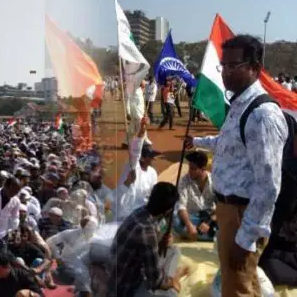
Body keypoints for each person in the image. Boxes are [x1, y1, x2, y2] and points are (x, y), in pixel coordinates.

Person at [184, 35, 287, 296]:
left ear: (254, 67)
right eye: (223, 65)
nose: (226, 73)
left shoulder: (262, 115)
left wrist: (245, 239)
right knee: (243, 281)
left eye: (234, 66)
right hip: (229, 210)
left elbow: (268, 187)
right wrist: (196, 141)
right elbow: (228, 141)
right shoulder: (239, 104)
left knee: (235, 286)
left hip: (243, 215)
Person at [107, 182, 189, 297]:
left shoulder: (140, 211)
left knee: (174, 250)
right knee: (171, 294)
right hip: (126, 289)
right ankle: (173, 277)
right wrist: (171, 282)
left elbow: (145, 252)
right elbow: (156, 282)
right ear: (167, 211)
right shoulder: (147, 232)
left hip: (124, 274)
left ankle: (170, 276)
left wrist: (160, 242)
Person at [114, 117, 159, 221]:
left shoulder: (152, 172)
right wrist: (142, 131)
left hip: (144, 211)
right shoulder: (132, 167)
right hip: (127, 212)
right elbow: (135, 152)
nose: (154, 158)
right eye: (150, 156)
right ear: (142, 158)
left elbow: (154, 193)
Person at [174, 151, 216, 242]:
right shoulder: (184, 181)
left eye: (193, 169)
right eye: (189, 168)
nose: (190, 171)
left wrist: (208, 223)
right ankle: (207, 236)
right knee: (176, 220)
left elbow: (221, 207)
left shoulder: (214, 181)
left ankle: (195, 235)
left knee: (227, 222)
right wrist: (189, 225)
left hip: (210, 218)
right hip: (192, 218)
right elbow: (181, 207)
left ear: (203, 169)